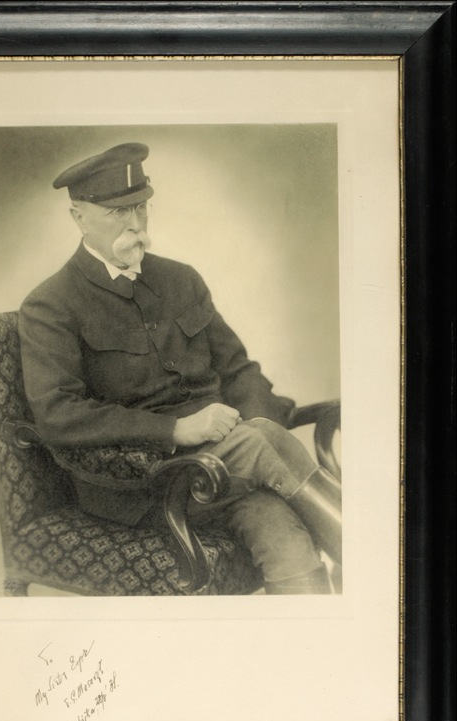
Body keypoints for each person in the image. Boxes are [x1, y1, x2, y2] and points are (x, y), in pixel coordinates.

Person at [19, 142, 341, 595]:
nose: (135, 224)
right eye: (117, 212)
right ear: (79, 217)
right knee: (262, 443)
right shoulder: (51, 304)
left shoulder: (180, 279)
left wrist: (253, 435)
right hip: (139, 484)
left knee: (283, 536)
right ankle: (374, 559)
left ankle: (324, 634)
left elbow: (239, 370)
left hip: (224, 466)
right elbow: (58, 413)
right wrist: (174, 429)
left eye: (140, 207)